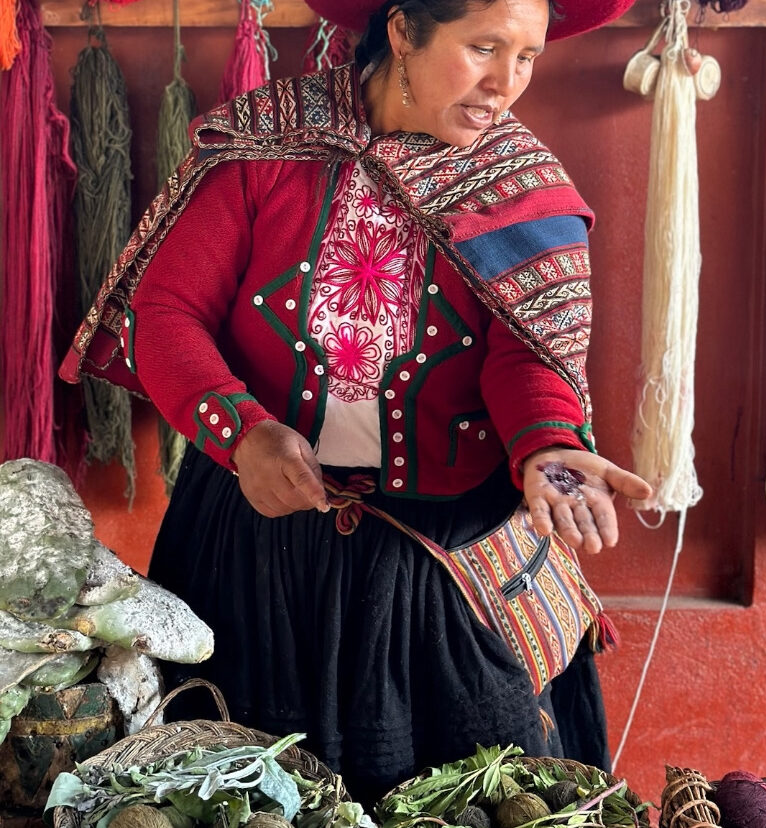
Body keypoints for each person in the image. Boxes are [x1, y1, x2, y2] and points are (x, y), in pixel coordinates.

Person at [60, 0, 649, 805]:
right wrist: (242, 432)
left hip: (438, 572)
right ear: (403, 30)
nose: (505, 84)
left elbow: (527, 353)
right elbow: (165, 314)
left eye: (527, 57)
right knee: (241, 801)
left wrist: (548, 445)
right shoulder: (269, 146)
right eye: (483, 48)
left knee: (467, 805)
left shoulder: (519, 186)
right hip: (256, 554)